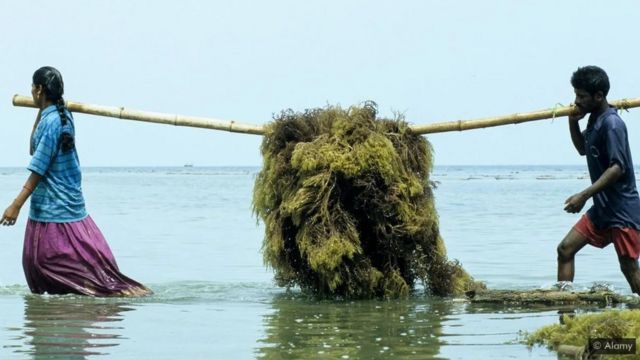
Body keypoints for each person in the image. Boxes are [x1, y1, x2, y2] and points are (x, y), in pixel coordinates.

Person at [1, 66, 151, 297]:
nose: (30, 91)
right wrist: (40, 109)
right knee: (38, 262)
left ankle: (104, 294)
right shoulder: (57, 116)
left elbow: (38, 168)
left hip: (56, 204)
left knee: (46, 261)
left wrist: (15, 206)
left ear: (39, 89)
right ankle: (66, 307)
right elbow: (34, 148)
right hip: (52, 203)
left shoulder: (54, 122)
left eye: (32, 87)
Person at [556, 65, 640, 295]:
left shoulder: (612, 124)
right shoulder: (594, 120)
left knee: (629, 267)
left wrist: (583, 195)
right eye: (576, 95)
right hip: (602, 208)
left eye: (582, 96)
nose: (577, 101)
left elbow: (617, 168)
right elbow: (583, 149)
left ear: (599, 96)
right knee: (565, 250)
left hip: (623, 210)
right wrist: (572, 121)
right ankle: (566, 315)